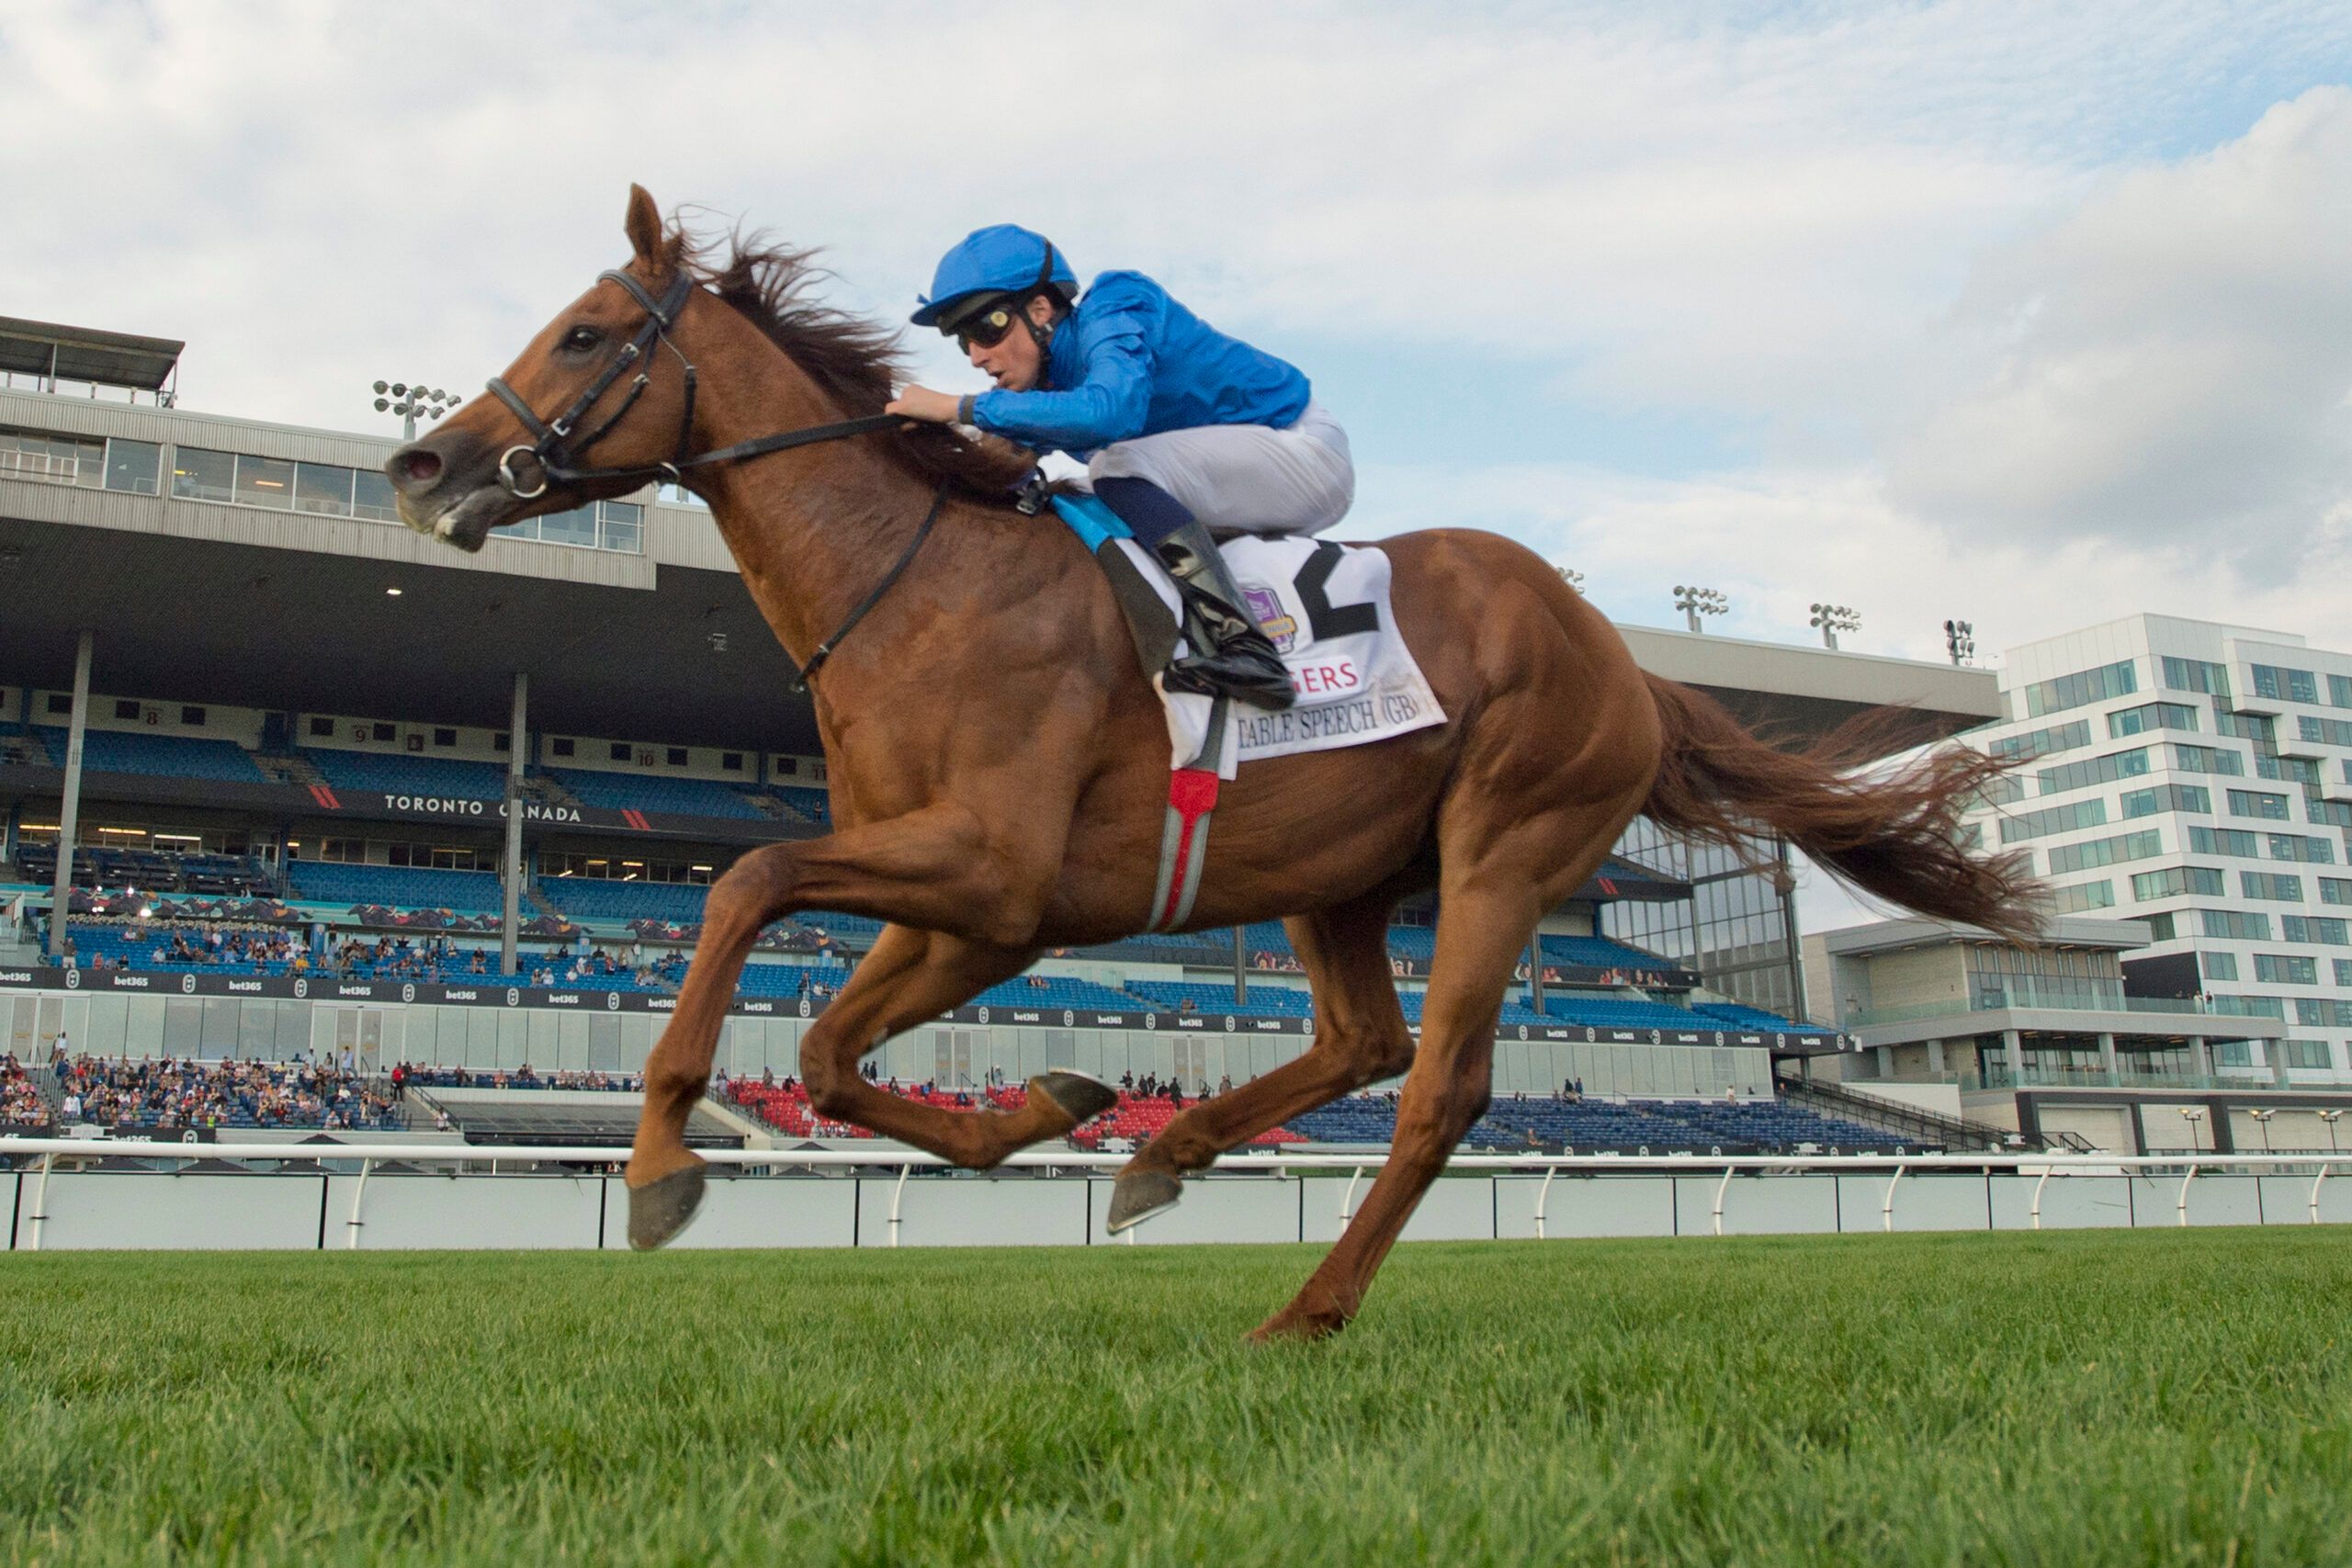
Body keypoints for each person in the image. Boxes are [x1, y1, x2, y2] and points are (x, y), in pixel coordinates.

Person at [888, 225, 1354, 711]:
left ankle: (1248, 649)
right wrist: (921, 445)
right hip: (1249, 481)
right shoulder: (1040, 393)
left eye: (988, 328)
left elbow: (1111, 412)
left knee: (1114, 468)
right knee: (1072, 501)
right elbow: (998, 470)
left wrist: (959, 407)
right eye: (964, 341)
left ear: (1041, 309)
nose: (977, 356)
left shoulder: (1119, 301)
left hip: (1306, 452)